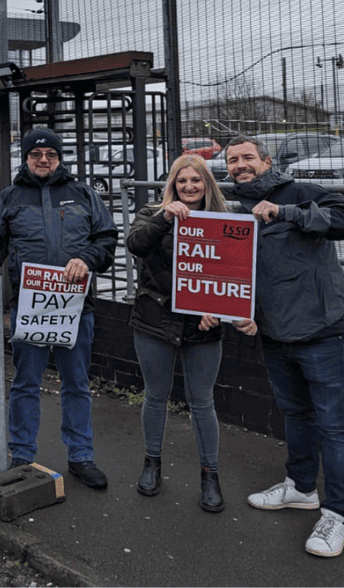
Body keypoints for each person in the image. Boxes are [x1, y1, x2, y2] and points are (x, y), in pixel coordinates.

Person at [224, 135, 344, 557]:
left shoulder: (301, 192)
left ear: (267, 161)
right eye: (232, 160)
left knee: (335, 425)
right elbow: (244, 271)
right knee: (295, 415)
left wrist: (287, 211)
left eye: (247, 157)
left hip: (323, 333)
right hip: (273, 334)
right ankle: (301, 488)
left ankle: (337, 515)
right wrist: (243, 311)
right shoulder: (236, 209)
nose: (239, 165)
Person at [0, 127, 118, 489]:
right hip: (30, 307)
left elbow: (106, 239)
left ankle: (81, 456)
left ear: (59, 158)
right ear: (25, 158)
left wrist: (87, 259)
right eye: (36, 154)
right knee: (26, 383)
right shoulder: (9, 198)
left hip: (76, 307)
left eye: (50, 155)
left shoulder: (83, 194)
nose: (43, 160)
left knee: (77, 384)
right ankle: (22, 455)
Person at [125, 154, 235, 512]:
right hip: (155, 320)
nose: (189, 187)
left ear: (207, 184)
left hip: (201, 325)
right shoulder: (151, 213)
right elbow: (136, 245)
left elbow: (234, 274)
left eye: (196, 180)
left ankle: (210, 474)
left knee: (202, 400)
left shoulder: (223, 219)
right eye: (182, 180)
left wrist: (218, 310)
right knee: (155, 395)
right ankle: (152, 463)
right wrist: (165, 218)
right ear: (172, 184)